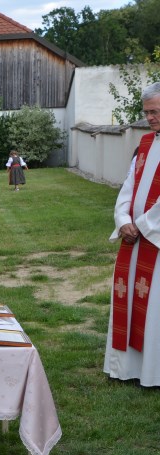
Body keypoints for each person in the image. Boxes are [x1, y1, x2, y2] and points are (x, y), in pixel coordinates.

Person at [104, 81, 160, 387]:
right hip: (136, 239)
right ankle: (128, 368)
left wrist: (145, 225)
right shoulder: (147, 144)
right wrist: (122, 218)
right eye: (147, 112)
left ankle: (153, 371)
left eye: (155, 112)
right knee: (131, 299)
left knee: (155, 308)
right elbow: (129, 184)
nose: (150, 118)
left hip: (155, 240)